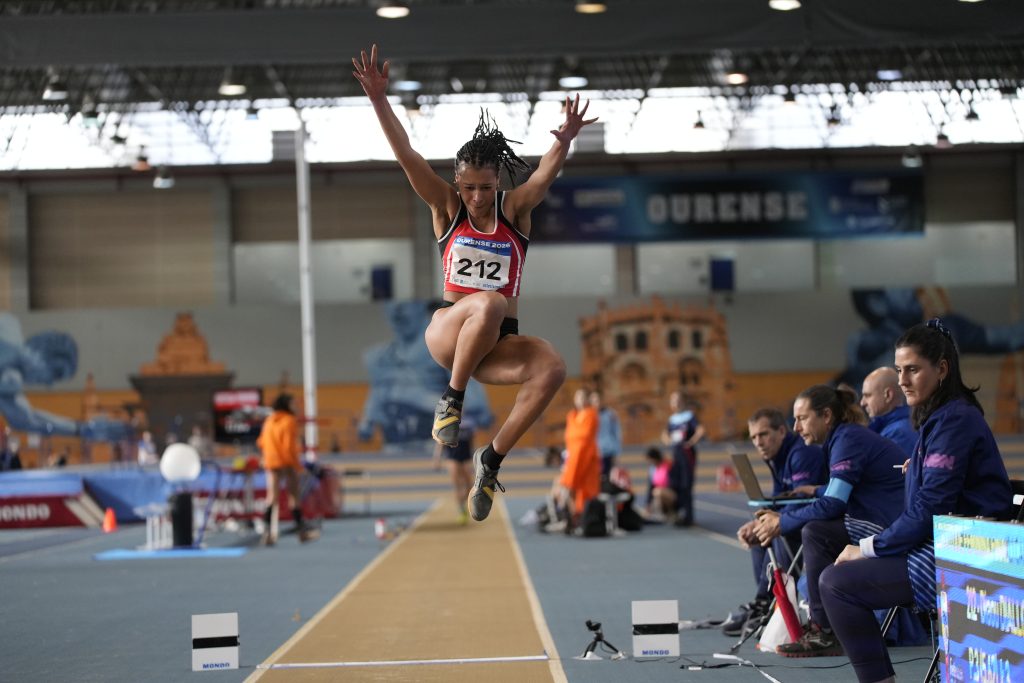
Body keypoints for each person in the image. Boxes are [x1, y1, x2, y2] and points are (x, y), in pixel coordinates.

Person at [353, 44, 595, 522]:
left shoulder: (515, 210)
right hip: (449, 332)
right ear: (457, 182)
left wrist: (564, 140)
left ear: (498, 182)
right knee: (488, 302)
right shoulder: (447, 207)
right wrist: (380, 100)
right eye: (469, 188)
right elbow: (406, 155)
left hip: (495, 344)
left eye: (486, 187)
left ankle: (492, 460)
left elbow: (544, 175)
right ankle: (452, 399)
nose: (478, 198)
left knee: (552, 367)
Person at [822, 319, 1012, 683]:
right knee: (835, 575)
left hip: (971, 554)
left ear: (942, 369)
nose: (902, 380)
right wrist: (919, 470)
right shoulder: (943, 416)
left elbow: (930, 509)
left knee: (836, 584)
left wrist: (868, 547)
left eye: (912, 370)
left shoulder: (954, 420)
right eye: (899, 371)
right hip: (953, 540)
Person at [752, 384, 906, 657]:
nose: (796, 428)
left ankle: (823, 629)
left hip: (888, 524)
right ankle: (825, 621)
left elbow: (834, 503)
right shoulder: (843, 437)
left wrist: (782, 521)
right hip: (880, 516)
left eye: (802, 418)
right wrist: (816, 492)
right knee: (812, 527)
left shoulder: (847, 439)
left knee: (816, 532)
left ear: (826, 416)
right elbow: (839, 490)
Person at [722, 407, 828, 637]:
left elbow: (800, 501)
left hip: (822, 520)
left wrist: (770, 522)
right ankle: (764, 603)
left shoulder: (802, 453)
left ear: (781, 431)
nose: (758, 442)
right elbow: (779, 499)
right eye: (753, 437)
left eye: (763, 434)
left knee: (776, 530)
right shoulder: (777, 457)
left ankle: (770, 606)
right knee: (759, 531)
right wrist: (758, 522)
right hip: (804, 516)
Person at [0, 313, 129, 443]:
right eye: (56, 374)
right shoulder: (7, 332)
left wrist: (80, 429)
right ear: (42, 354)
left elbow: (28, 420)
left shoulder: (11, 381)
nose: (48, 383)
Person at [256, 394, 319, 545]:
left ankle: (267, 532)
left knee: (272, 497)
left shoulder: (270, 420)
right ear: (286, 405)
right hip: (286, 462)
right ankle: (302, 532)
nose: (296, 406)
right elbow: (288, 447)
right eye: (293, 404)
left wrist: (267, 456)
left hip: (271, 461)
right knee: (294, 496)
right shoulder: (289, 421)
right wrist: (298, 467)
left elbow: (261, 442)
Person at [661, 391, 705, 527]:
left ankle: (688, 516)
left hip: (687, 454)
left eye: (678, 400)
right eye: (673, 400)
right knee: (675, 484)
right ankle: (677, 513)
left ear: (683, 401)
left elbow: (700, 430)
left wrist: (691, 442)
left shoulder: (689, 416)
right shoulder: (672, 419)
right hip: (675, 455)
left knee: (686, 485)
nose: (676, 403)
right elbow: (665, 434)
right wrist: (668, 441)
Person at [558, 388, 601, 526]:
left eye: (582, 397)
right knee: (567, 485)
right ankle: (573, 517)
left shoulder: (591, 414)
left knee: (585, 488)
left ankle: (583, 517)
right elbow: (569, 436)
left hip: (586, 457)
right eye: (577, 397)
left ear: (587, 399)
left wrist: (575, 438)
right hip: (573, 456)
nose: (580, 400)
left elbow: (584, 435)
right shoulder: (572, 415)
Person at [860, 366, 917, 456]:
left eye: (867, 395)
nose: (862, 403)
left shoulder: (897, 434)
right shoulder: (901, 427)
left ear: (888, 395)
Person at [432, 413, 477, 525]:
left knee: (469, 485)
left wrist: (476, 457)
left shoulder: (469, 422)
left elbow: (472, 440)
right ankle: (461, 510)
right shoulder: (447, 421)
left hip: (466, 456)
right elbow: (440, 442)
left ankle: (463, 501)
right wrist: (437, 458)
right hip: (452, 456)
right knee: (457, 485)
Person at [591, 391, 621, 478]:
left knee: (607, 478)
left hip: (607, 452)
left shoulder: (610, 414)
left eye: (598, 400)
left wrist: (616, 452)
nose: (597, 403)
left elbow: (616, 433)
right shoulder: (587, 415)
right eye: (594, 401)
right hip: (593, 453)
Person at [643, 446, 676, 522]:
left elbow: (675, 482)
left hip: (672, 493)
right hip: (659, 494)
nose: (648, 462)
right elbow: (651, 487)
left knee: (657, 492)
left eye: (649, 459)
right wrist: (648, 504)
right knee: (656, 493)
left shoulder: (668, 465)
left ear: (654, 458)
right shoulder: (652, 469)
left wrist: (663, 488)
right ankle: (664, 513)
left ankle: (671, 511)